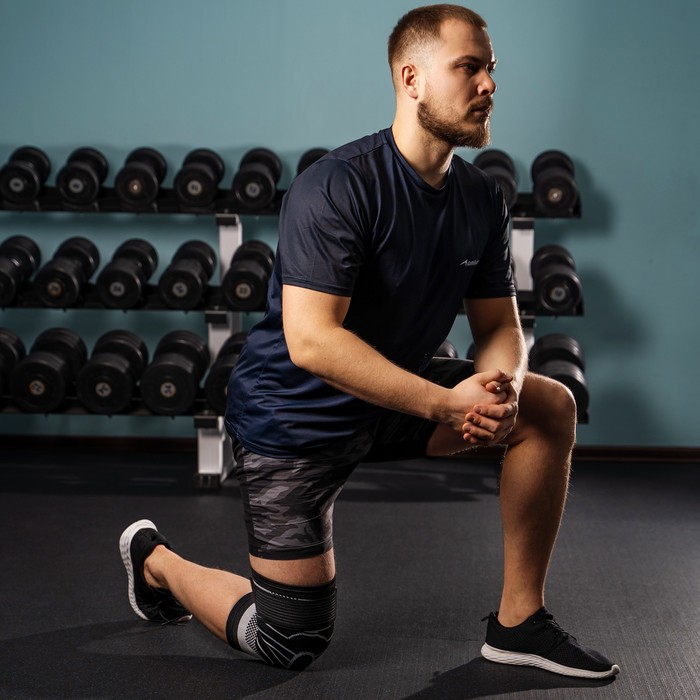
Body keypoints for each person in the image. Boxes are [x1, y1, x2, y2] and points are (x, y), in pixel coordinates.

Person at [120, 4, 620, 679]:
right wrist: (446, 404)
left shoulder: (481, 198)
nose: (489, 84)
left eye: (491, 69)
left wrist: (498, 388)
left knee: (548, 406)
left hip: (394, 396)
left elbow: (499, 325)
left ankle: (519, 623)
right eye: (468, 67)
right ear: (412, 79)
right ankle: (156, 561)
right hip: (296, 418)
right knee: (290, 640)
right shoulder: (337, 187)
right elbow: (313, 343)